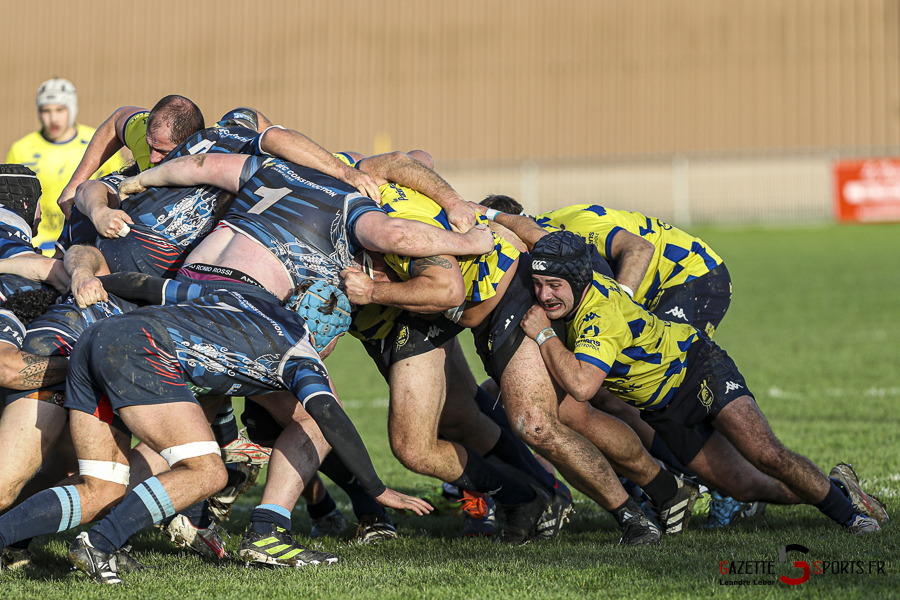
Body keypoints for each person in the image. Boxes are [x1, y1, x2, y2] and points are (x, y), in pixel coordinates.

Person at [515, 229, 887, 535]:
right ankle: (838, 490)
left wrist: (545, 335)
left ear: (577, 281)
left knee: (767, 454)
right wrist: (487, 214)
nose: (545, 295)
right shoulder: (578, 277)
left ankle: (854, 519)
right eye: (538, 284)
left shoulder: (600, 316)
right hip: (664, 409)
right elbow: (531, 230)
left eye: (554, 285)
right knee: (743, 486)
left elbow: (582, 387)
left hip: (696, 369)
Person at [482, 196, 749, 527]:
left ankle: (726, 487)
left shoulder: (571, 227)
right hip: (643, 297)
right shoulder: (544, 261)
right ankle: (667, 483)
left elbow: (639, 249)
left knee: (669, 389)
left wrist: (615, 307)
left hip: (692, 277)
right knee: (603, 389)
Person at [5, 79, 125, 253]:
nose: (53, 118)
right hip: (37, 246)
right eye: (46, 111)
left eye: (60, 110)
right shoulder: (21, 149)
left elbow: (118, 188)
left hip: (87, 243)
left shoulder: (98, 144)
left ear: (72, 109)